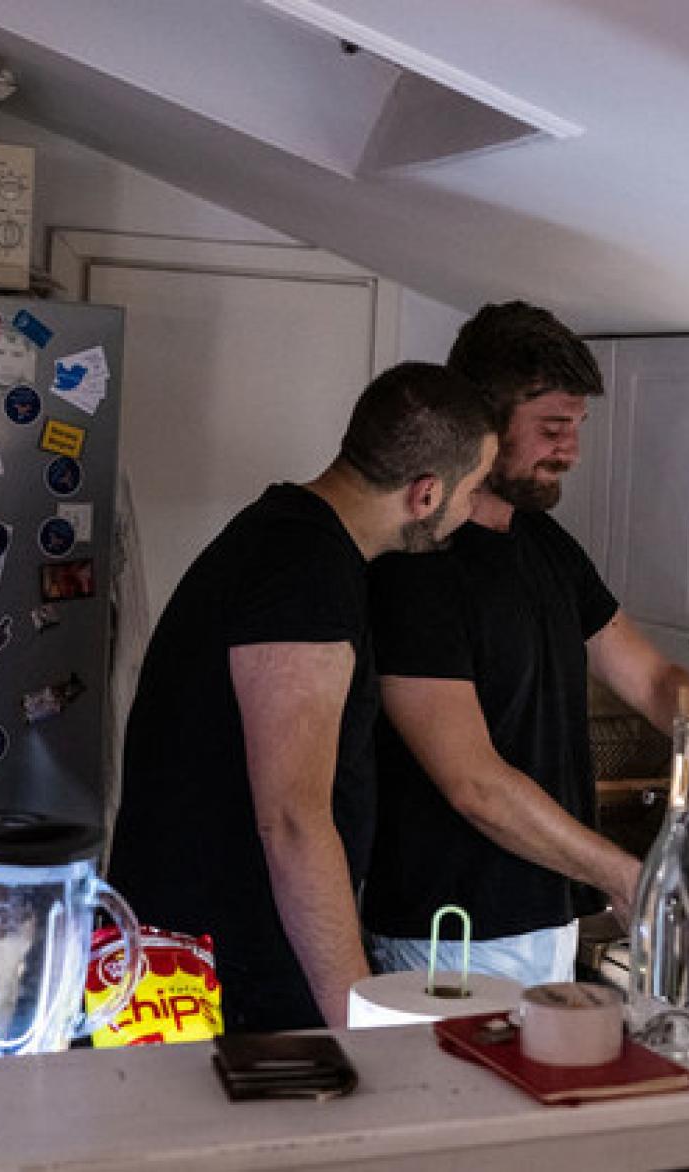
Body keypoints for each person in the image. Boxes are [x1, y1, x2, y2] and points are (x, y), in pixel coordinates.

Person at [363, 303, 689, 986]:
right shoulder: (417, 564)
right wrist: (622, 872)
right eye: (553, 428)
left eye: (578, 427)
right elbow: (473, 785)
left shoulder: (545, 547)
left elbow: (653, 683)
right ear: (484, 420)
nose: (572, 451)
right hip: (447, 932)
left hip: (545, 918)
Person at [107, 362, 497, 1031]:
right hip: (217, 982)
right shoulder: (304, 574)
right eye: (477, 487)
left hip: (195, 961)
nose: (478, 509)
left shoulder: (287, 540)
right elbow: (292, 817)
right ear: (426, 494)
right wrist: (355, 1014)